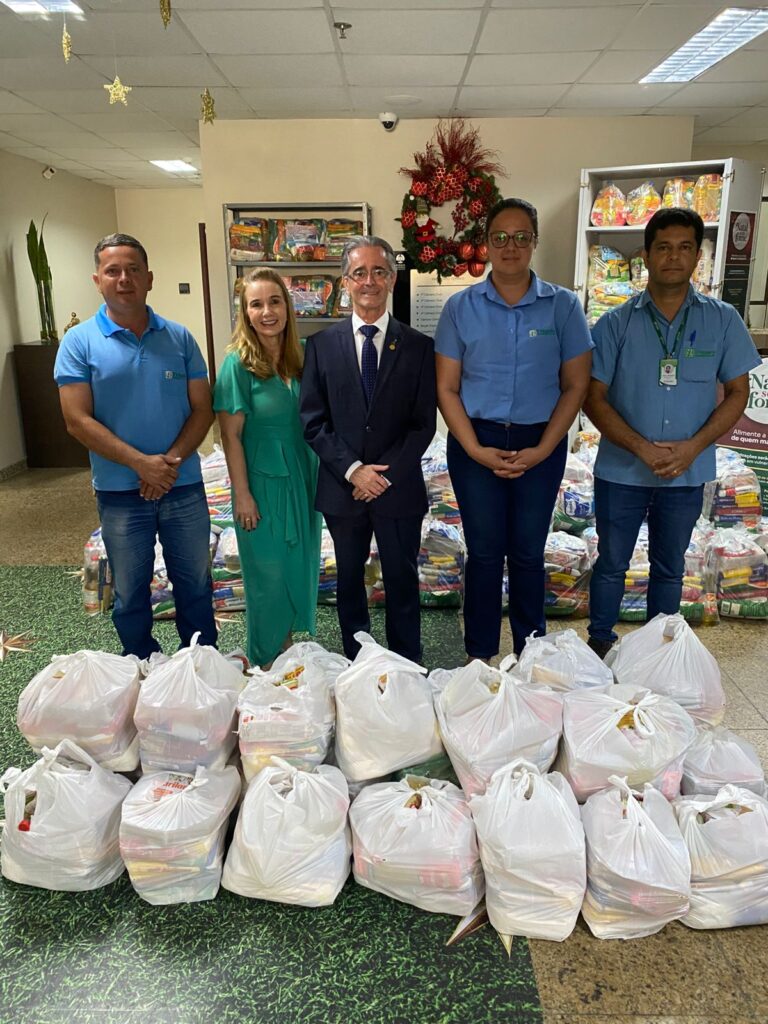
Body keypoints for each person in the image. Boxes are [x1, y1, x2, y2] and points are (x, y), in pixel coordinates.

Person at [585, 207, 761, 658]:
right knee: (612, 563)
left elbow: (738, 392)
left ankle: (658, 653)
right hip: (622, 470)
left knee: (669, 568)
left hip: (687, 472)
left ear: (698, 256)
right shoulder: (615, 324)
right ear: (646, 256)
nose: (673, 257)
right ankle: (599, 645)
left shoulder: (722, 320)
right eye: (663, 247)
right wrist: (641, 448)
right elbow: (593, 397)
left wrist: (693, 448)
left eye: (685, 247)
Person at [435, 197, 593, 659]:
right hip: (475, 442)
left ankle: (531, 653)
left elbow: (576, 385)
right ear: (485, 243)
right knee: (484, 553)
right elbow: (447, 388)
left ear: (534, 242)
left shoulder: (563, 306)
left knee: (527, 552)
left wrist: (543, 449)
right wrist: (474, 449)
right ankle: (479, 655)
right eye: (500, 237)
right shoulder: (460, 308)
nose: (510, 246)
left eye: (521, 237)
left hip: (540, 442)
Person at [55, 232, 217, 659]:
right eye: (113, 271)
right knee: (130, 590)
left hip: (182, 486)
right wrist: (141, 464)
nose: (124, 279)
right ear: (98, 280)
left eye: (133, 270)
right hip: (120, 492)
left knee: (196, 584)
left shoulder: (180, 338)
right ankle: (142, 663)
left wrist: (169, 463)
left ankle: (201, 662)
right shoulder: (78, 342)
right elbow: (76, 420)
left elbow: (203, 409)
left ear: (149, 278)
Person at [300, 236, 436, 663]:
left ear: (392, 279)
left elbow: (423, 424)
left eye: (379, 271)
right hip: (343, 490)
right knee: (349, 581)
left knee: (401, 579)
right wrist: (354, 470)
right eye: (359, 273)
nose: (369, 281)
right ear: (345, 282)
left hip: (398, 488)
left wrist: (382, 475)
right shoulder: (320, 346)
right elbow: (313, 421)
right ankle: (357, 662)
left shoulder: (419, 347)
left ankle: (407, 663)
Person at [213, 268, 321, 669]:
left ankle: (287, 650)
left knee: (297, 563)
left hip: (301, 476)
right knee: (267, 574)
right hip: (261, 482)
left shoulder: (302, 357)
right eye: (256, 304)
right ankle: (265, 659)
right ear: (245, 312)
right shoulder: (237, 364)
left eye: (274, 301)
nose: (267, 312)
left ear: (287, 307)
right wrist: (242, 495)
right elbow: (231, 436)